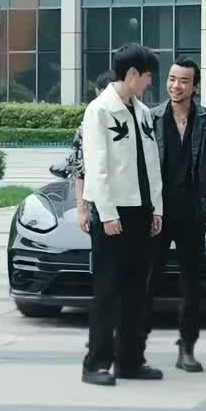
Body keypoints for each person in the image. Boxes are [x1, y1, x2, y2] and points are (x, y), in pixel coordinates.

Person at [80, 44, 163, 386]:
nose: (149, 83)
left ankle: (130, 360)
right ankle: (96, 364)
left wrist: (156, 207)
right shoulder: (99, 111)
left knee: (136, 291)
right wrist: (107, 212)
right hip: (113, 213)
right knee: (108, 290)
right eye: (147, 77)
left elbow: (151, 163)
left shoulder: (142, 112)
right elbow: (96, 166)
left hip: (142, 210)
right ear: (132, 74)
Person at [147, 58, 206, 373]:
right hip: (157, 215)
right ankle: (133, 347)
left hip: (192, 215)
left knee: (191, 285)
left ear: (195, 87)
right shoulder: (151, 118)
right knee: (147, 281)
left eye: (183, 81)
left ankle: (187, 349)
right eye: (172, 79)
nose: (175, 86)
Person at [70, 73, 111, 234]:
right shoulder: (86, 127)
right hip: (98, 205)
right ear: (97, 91)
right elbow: (80, 171)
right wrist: (82, 210)